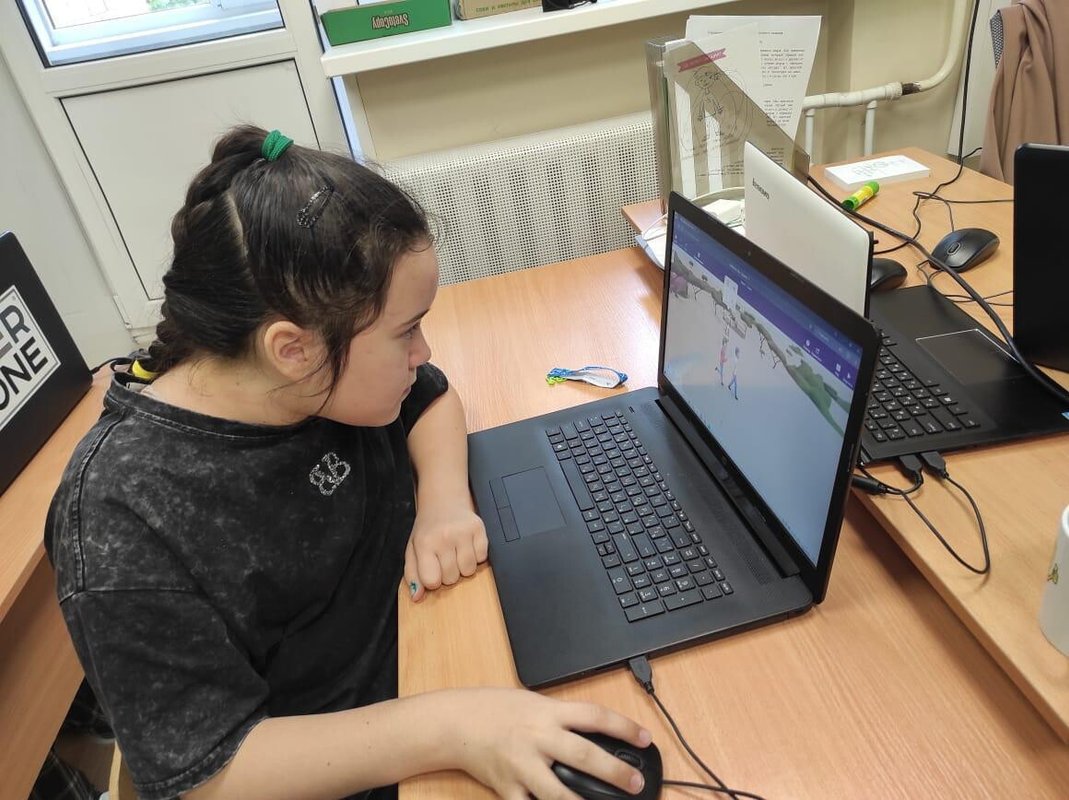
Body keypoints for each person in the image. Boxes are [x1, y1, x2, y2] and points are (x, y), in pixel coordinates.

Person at [45, 126, 651, 800]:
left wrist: (444, 502)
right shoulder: (123, 516)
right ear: (292, 349)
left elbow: (432, 400)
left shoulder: (311, 380)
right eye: (405, 331)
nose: (422, 352)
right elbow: (210, 772)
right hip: (346, 760)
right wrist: (453, 727)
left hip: (427, 650)